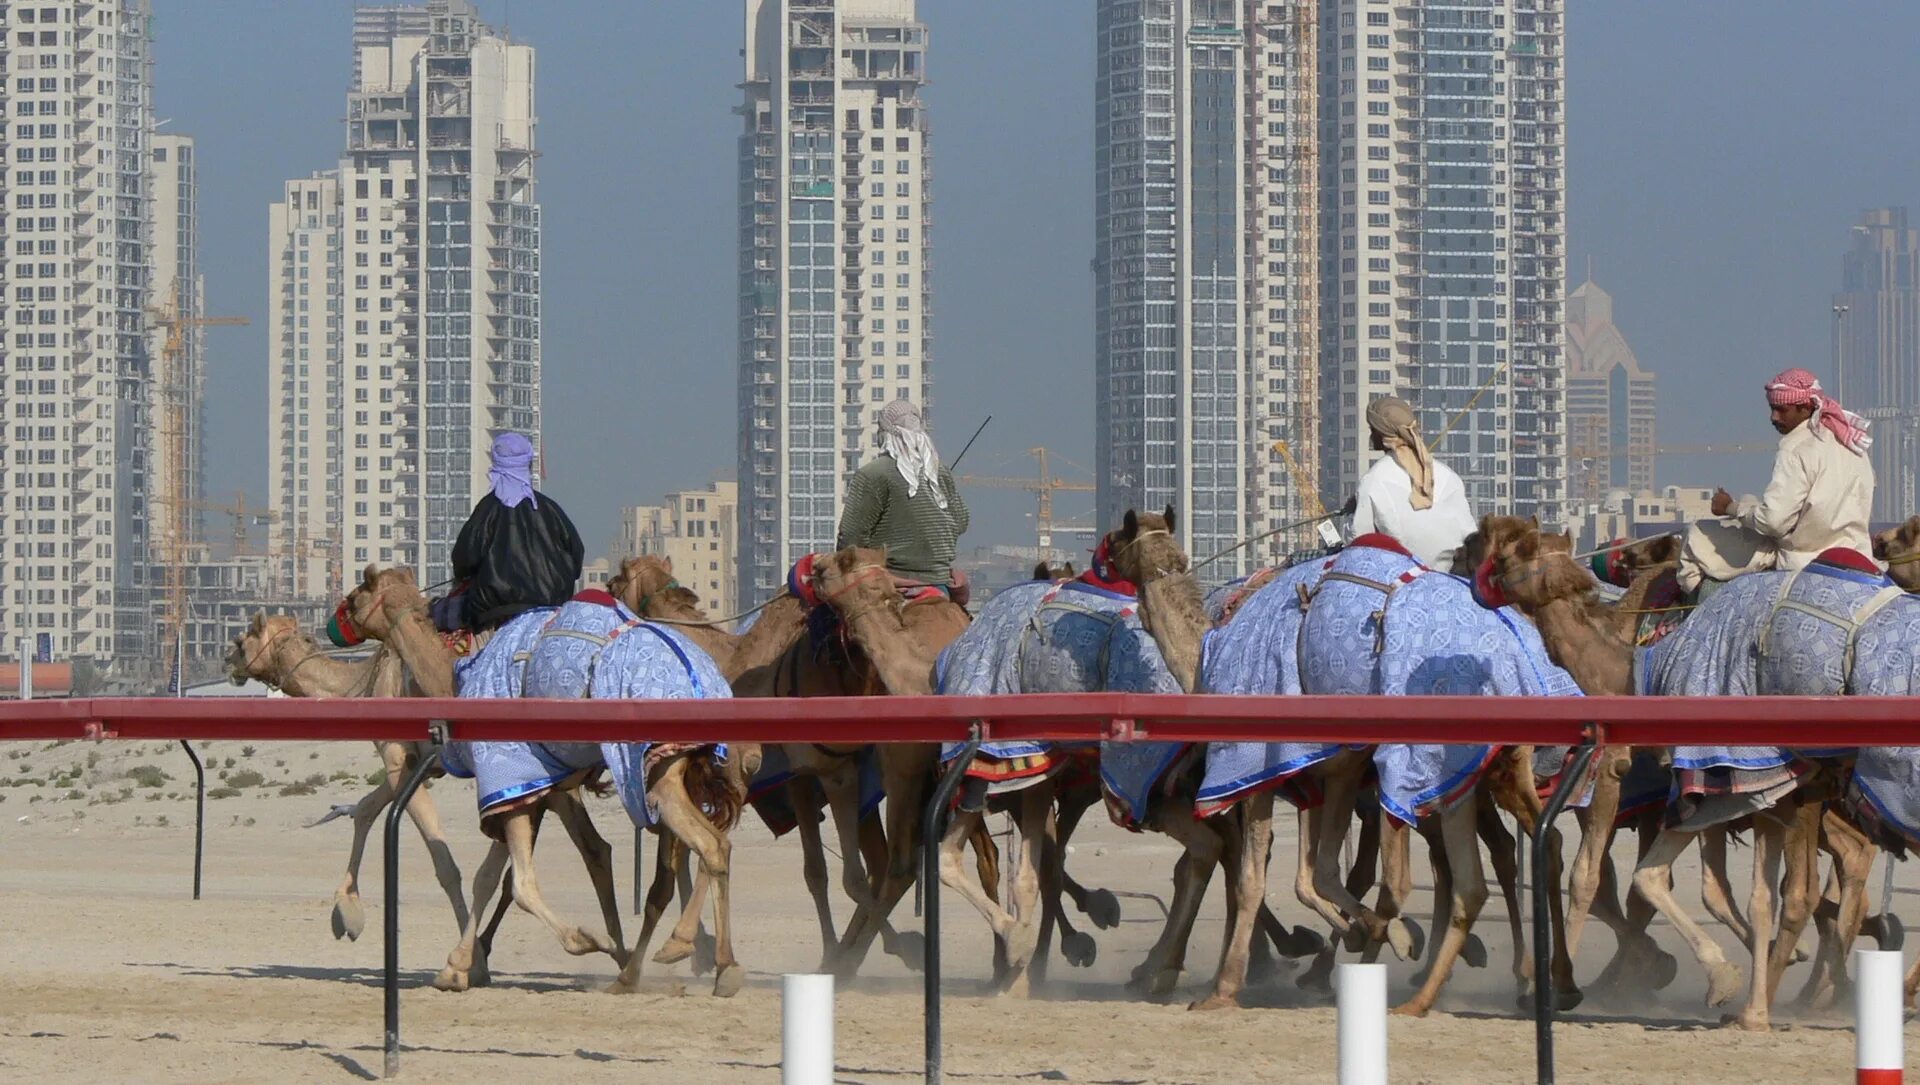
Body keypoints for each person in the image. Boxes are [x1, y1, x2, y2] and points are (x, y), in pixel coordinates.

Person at [1677, 367, 1875, 592]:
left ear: (1805, 407)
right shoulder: (1851, 444)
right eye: (1772, 409)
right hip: (1859, 556)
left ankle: (1695, 616)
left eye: (1781, 410)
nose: (1774, 417)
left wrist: (1731, 508)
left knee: (1696, 534)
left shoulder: (1796, 447)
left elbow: (1773, 522)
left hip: (1802, 560)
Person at [444, 432, 586, 632]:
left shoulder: (487, 510)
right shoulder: (550, 510)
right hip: (551, 615)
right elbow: (576, 555)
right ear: (527, 463)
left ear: (496, 463)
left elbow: (463, 560)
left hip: (494, 618)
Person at [835, 398, 969, 593]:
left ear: (884, 433)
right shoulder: (939, 472)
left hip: (889, 580)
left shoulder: (874, 474)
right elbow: (961, 522)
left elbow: (850, 537)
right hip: (939, 582)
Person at [1349, 395, 1478, 569]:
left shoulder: (1374, 480)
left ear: (1380, 433)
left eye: (1372, 429)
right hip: (1454, 575)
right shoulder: (1448, 476)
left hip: (1403, 579)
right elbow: (1469, 534)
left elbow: (1358, 542)